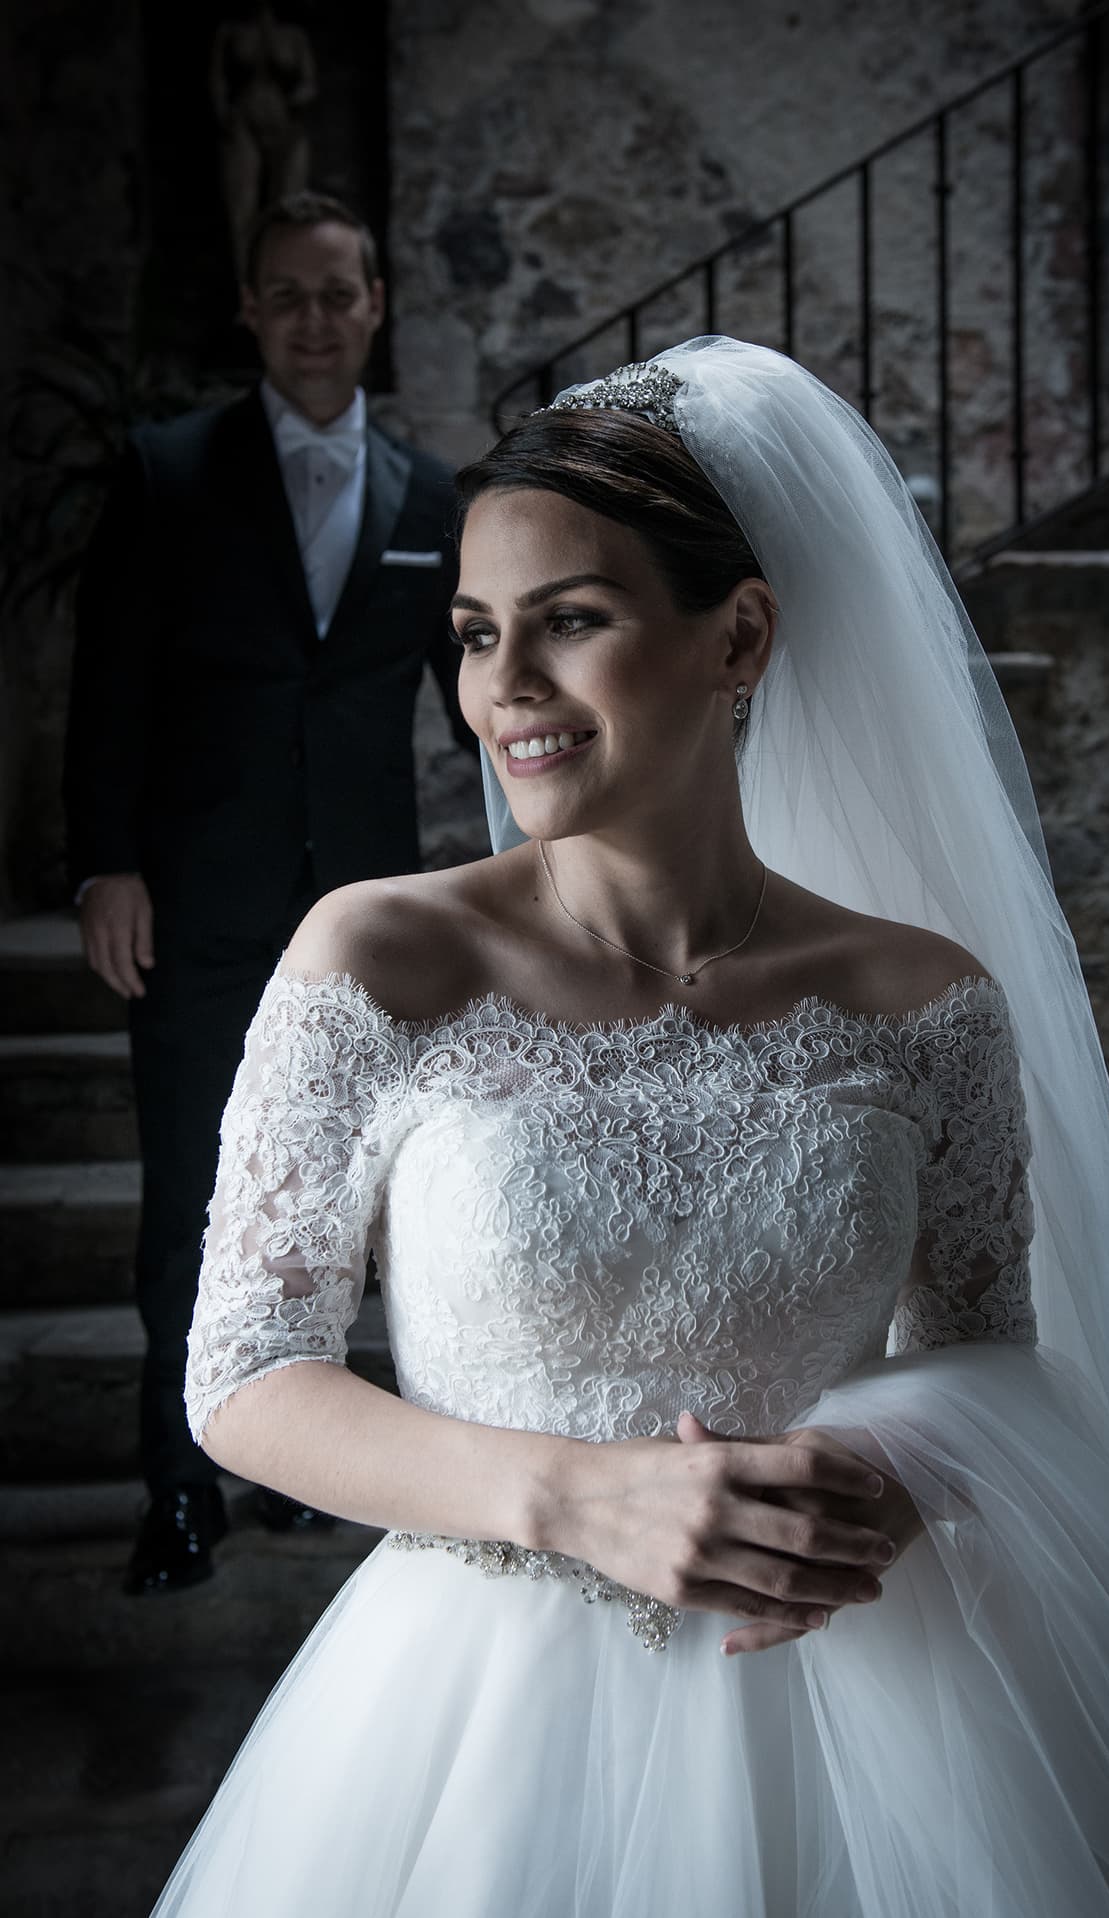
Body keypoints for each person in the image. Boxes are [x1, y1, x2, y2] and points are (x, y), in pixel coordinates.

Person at [153, 340, 1109, 1914]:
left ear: (737, 632)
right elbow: (244, 1375)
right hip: (485, 1708)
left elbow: (984, 1353)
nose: (504, 692)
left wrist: (898, 1476)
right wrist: (573, 1495)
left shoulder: (926, 1000)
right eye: (478, 635)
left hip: (871, 1699)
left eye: (573, 622)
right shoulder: (377, 958)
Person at [64, 189, 473, 1596]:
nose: (314, 320)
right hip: (195, 902)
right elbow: (109, 681)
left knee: (339, 1201)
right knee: (192, 1190)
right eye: (286, 296)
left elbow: (479, 703)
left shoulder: (435, 498)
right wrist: (105, 863)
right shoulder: (169, 470)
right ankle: (179, 1485)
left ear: (376, 308)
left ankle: (306, 1460)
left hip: (364, 918)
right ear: (252, 312)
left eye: (337, 294)